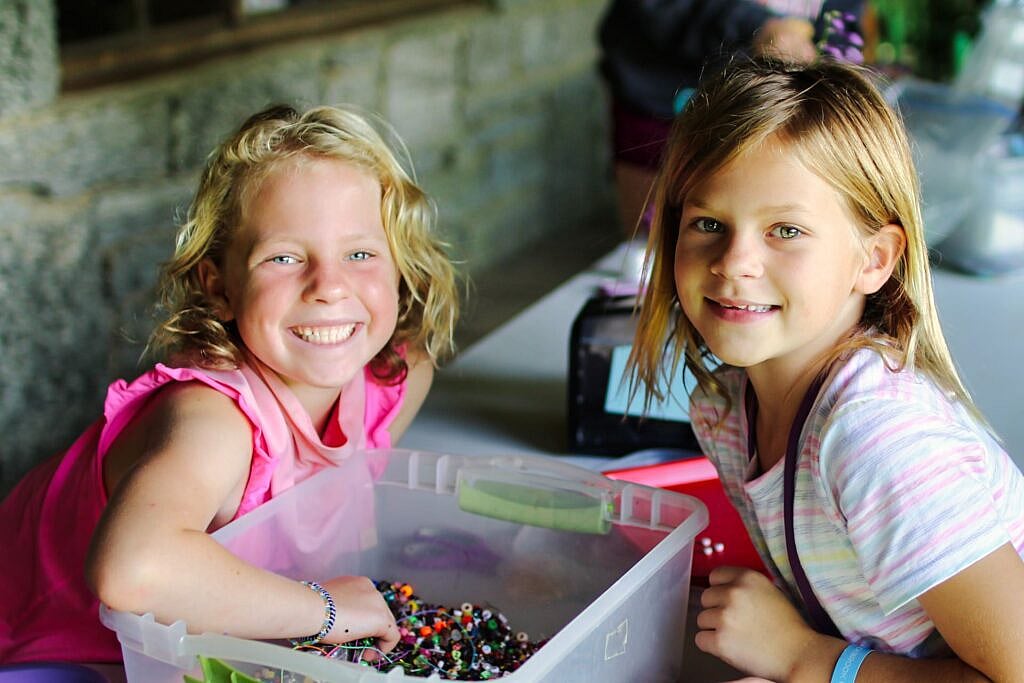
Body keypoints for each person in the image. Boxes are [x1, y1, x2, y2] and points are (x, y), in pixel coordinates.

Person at [0, 104, 459, 665]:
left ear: (400, 268)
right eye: (284, 257)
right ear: (218, 286)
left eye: (360, 253)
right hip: (41, 652)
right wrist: (325, 612)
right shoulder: (213, 420)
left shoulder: (395, 379)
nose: (329, 287)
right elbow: (131, 571)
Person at [628, 57, 1024, 681]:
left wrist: (801, 658)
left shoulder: (875, 440)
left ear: (873, 259)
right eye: (708, 223)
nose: (735, 263)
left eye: (785, 230)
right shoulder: (724, 411)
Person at [598, 0, 865, 235]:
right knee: (658, 242)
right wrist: (756, 25)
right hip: (662, 97)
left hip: (767, 111)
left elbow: (841, 23)